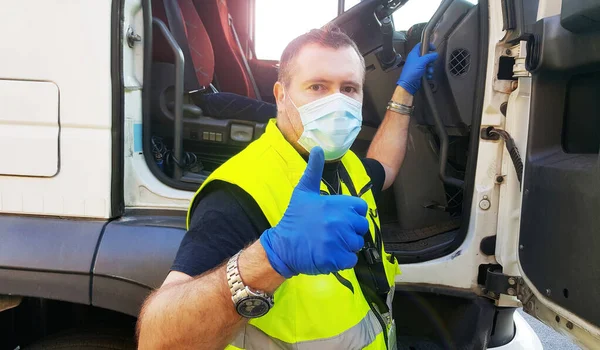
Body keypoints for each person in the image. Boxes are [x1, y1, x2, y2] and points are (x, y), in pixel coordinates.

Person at [137, 26, 438, 349]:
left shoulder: (346, 163)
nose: (336, 103)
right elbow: (157, 341)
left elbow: (384, 168)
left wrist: (404, 92)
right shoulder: (239, 192)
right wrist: (272, 258)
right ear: (281, 96)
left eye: (349, 89)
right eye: (318, 87)